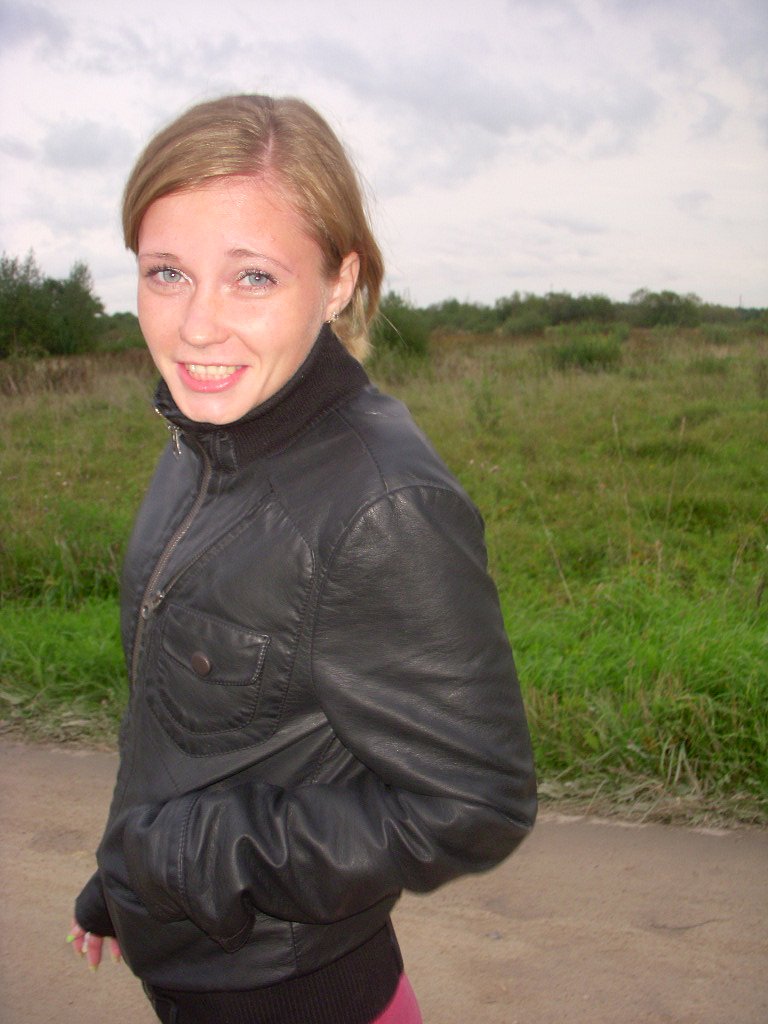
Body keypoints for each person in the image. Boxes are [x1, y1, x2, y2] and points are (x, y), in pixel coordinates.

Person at [69, 94, 537, 1024]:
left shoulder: (382, 504)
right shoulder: (203, 439)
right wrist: (121, 879)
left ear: (336, 280)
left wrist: (189, 859)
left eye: (252, 277)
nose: (197, 326)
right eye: (167, 273)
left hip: (297, 995)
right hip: (192, 972)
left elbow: (477, 799)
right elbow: (193, 723)